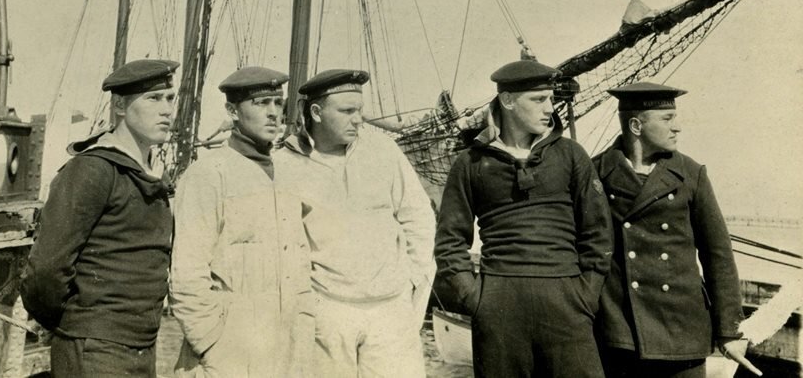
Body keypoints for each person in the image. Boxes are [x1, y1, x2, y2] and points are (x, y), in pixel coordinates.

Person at [434, 59, 612, 378]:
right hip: (499, 303)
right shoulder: (471, 163)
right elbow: (449, 242)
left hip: (567, 297)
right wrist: (475, 299)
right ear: (508, 100)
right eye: (539, 99)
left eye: (551, 99)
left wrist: (586, 295)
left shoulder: (571, 155)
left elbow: (598, 233)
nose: (549, 108)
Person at [21, 59, 178, 378]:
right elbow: (46, 271)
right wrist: (71, 325)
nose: (167, 110)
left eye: (169, 98)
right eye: (153, 98)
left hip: (140, 349)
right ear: (119, 105)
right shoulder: (93, 170)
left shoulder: (147, 176)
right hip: (94, 352)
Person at [278, 68, 436, 378]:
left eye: (359, 110)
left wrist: (411, 281)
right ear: (316, 112)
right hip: (327, 313)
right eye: (347, 111)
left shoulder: (384, 151)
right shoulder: (285, 164)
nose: (358, 120)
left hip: (390, 309)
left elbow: (418, 215)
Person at [593, 82, 746, 378]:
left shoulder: (690, 173)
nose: (677, 127)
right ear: (636, 126)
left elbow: (718, 254)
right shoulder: (595, 172)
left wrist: (730, 330)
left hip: (682, 330)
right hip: (620, 332)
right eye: (667, 119)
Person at [169, 66, 313, 377]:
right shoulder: (208, 174)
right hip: (229, 350)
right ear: (233, 111)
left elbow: (301, 262)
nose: (273, 113)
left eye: (278, 103)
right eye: (261, 103)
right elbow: (187, 273)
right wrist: (211, 343)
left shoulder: (289, 176)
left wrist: (304, 327)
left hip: (286, 348)